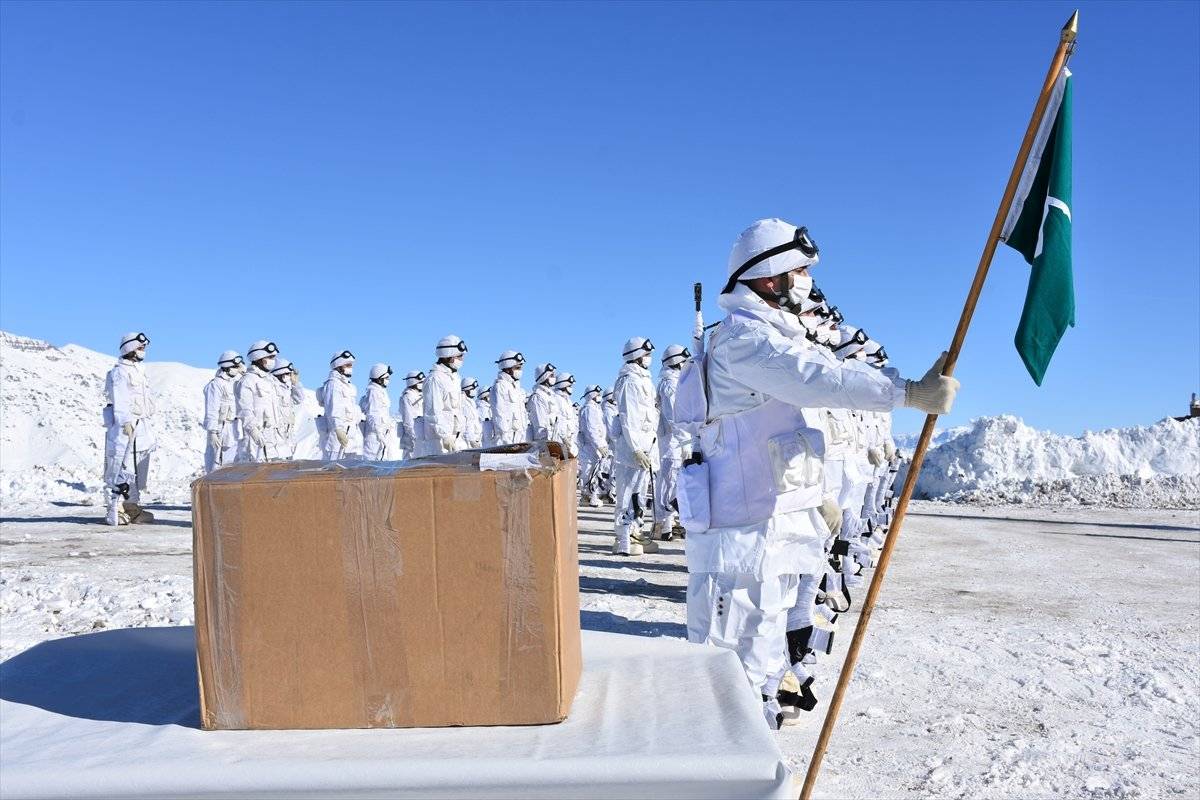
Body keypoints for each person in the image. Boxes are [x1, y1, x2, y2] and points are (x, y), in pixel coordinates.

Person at [685, 218, 960, 728]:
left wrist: (814, 502)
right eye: (801, 269)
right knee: (730, 673)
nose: (808, 280)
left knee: (763, 660)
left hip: (767, 529)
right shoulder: (742, 340)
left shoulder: (770, 335)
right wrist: (905, 394)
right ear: (770, 278)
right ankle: (725, 772)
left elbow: (787, 433)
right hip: (742, 539)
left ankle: (754, 760)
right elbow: (817, 379)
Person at [611, 337, 660, 556]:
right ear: (636, 356)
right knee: (626, 493)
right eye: (645, 355)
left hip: (645, 446)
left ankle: (634, 532)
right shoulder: (629, 381)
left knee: (638, 494)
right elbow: (629, 417)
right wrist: (635, 448)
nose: (649, 359)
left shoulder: (643, 380)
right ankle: (622, 540)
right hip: (632, 450)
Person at [103, 332, 157, 525]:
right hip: (124, 427)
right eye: (140, 347)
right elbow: (121, 398)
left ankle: (132, 507)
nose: (143, 351)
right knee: (120, 467)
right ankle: (115, 509)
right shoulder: (119, 372)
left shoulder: (139, 371)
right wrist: (125, 421)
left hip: (140, 426)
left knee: (137, 468)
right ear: (129, 348)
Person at [653, 344, 690, 540]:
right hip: (672, 442)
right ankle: (662, 525)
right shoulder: (669, 384)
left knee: (675, 481)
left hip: (677, 440)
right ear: (676, 362)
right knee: (668, 482)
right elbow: (673, 416)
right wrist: (685, 441)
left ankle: (669, 523)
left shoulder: (678, 382)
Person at [237, 340, 283, 463]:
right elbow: (244, 409)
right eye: (271, 357)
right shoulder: (247, 381)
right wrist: (253, 431)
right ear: (259, 358)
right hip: (253, 440)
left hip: (270, 439)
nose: (274, 360)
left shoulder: (269, 381)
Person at [421, 335, 468, 455]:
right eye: (459, 356)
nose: (462, 360)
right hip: (439, 442)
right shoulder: (435, 379)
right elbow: (433, 411)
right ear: (450, 356)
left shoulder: (454, 378)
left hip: (455, 438)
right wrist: (445, 436)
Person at [202, 350, 242, 473]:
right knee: (218, 465)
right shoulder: (216, 384)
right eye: (235, 366)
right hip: (220, 429)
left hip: (233, 429)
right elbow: (212, 409)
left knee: (232, 464)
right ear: (227, 366)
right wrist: (213, 432)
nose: (237, 369)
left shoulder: (235, 382)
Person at [321, 350, 362, 459]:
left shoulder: (348, 386)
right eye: (348, 365)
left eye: (351, 365)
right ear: (339, 366)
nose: (351, 368)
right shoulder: (333, 384)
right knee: (334, 471)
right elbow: (333, 409)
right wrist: (338, 430)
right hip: (337, 438)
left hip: (350, 438)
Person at [577, 385, 609, 506]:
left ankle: (587, 496)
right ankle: (591, 496)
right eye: (597, 394)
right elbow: (592, 430)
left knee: (593, 471)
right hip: (590, 446)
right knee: (589, 471)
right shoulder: (589, 409)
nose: (599, 396)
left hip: (594, 446)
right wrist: (599, 445)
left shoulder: (595, 408)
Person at [491, 350, 529, 446]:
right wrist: (505, 439)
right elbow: (499, 413)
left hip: (519, 437)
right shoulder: (500, 386)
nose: (520, 371)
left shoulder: (516, 388)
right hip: (506, 439)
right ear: (508, 369)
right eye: (517, 368)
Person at [270, 358, 305, 460]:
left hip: (287, 434)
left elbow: (299, 398)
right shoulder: (271, 387)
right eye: (288, 374)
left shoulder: (287, 388)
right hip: (276, 436)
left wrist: (296, 384)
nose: (290, 377)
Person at [361, 363, 394, 460]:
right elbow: (373, 414)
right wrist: (379, 433)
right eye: (387, 377)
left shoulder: (380, 391)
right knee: (371, 464)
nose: (388, 380)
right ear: (379, 377)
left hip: (381, 434)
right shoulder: (374, 392)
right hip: (375, 436)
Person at [527, 363, 559, 443]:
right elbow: (540, 425)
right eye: (551, 376)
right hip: (544, 442)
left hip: (554, 440)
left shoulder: (551, 396)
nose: (554, 378)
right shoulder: (537, 397)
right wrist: (546, 444)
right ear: (544, 377)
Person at [399, 370, 424, 458]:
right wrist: (412, 434)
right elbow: (407, 417)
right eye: (421, 382)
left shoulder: (419, 395)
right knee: (410, 459)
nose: (422, 384)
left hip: (420, 433)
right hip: (412, 433)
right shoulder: (408, 396)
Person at [553, 372, 579, 457]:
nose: (571, 388)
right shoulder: (556, 398)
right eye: (570, 386)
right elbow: (557, 420)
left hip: (569, 440)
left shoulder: (567, 400)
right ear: (563, 385)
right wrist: (563, 437)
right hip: (560, 440)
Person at [461, 377, 483, 449]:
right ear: (467, 389)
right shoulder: (463, 403)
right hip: (467, 442)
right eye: (473, 389)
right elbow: (466, 424)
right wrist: (471, 440)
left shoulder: (471, 403)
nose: (475, 391)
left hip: (476, 440)